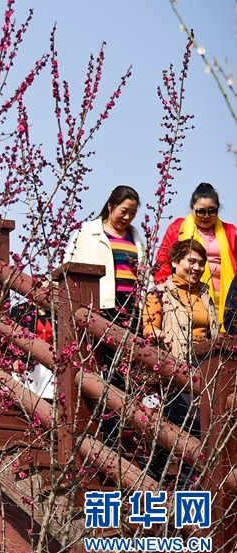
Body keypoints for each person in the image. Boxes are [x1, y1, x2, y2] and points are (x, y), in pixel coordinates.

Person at [64, 186, 145, 442]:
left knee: (125, 368)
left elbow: (145, 273)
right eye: (124, 211)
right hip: (102, 304)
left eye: (132, 213)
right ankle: (104, 425)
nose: (127, 218)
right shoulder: (88, 232)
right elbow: (69, 262)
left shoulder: (136, 237)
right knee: (104, 364)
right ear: (110, 205)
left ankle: (119, 426)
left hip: (131, 307)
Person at [142, 239, 216, 484]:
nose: (197, 268)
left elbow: (214, 332)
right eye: (191, 261)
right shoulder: (159, 293)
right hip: (174, 366)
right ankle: (168, 481)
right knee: (185, 426)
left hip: (204, 369)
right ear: (175, 263)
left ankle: (181, 481)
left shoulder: (206, 293)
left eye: (201, 263)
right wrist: (156, 336)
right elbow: (150, 327)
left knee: (197, 427)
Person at [154, 183, 236, 326]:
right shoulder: (177, 228)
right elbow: (162, 262)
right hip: (186, 298)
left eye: (212, 211)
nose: (206, 216)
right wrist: (164, 288)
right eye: (201, 211)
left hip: (225, 300)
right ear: (192, 208)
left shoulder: (229, 231)